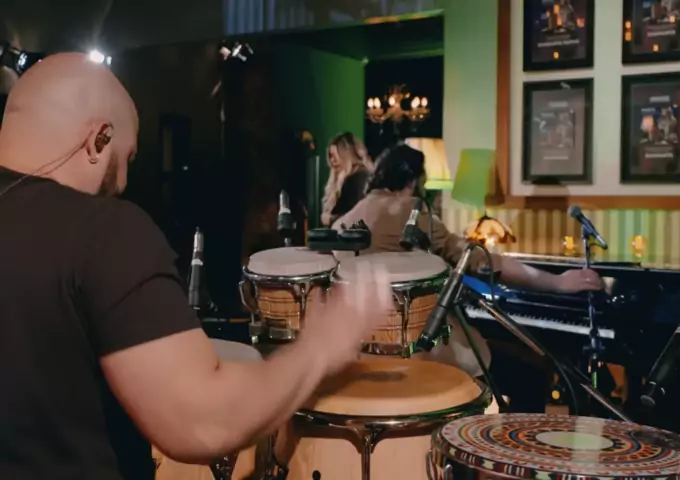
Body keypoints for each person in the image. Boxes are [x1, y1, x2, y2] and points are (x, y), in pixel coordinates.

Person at [0, 53, 392, 479]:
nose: (125, 183)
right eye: (127, 159)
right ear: (99, 139)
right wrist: (322, 345)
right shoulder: (100, 230)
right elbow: (202, 422)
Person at [334, 143, 603, 412]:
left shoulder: (346, 220)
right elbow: (480, 261)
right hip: (420, 351)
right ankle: (510, 439)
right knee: (531, 373)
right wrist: (557, 282)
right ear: (413, 182)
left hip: (363, 352)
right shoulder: (410, 210)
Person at [320, 132, 371, 227]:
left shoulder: (358, 179)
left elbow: (355, 217)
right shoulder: (343, 177)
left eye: (335, 155)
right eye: (330, 156)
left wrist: (330, 219)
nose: (332, 160)